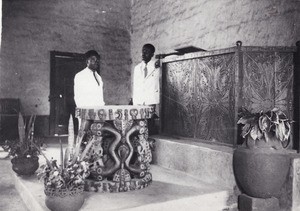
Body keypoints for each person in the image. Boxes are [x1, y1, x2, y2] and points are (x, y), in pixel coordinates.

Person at [131, 43, 160, 134]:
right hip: (139, 98)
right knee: (139, 120)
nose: (143, 54)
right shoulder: (137, 68)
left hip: (150, 98)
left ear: (152, 54)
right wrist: (134, 99)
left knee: (149, 119)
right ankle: (140, 136)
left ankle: (149, 137)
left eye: (147, 52)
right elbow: (136, 85)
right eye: (143, 51)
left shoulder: (157, 66)